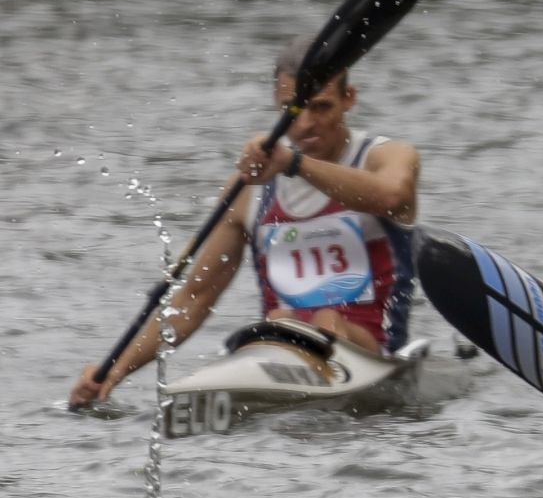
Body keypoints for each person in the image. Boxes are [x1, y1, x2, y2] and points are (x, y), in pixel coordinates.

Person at [69, 38, 421, 407]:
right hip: (281, 347)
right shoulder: (249, 190)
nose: (306, 125)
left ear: (350, 98)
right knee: (281, 319)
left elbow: (393, 197)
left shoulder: (387, 157)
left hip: (371, 354)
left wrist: (293, 164)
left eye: (321, 108)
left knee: (326, 318)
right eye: (293, 110)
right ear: (278, 106)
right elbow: (194, 299)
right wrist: (116, 370)